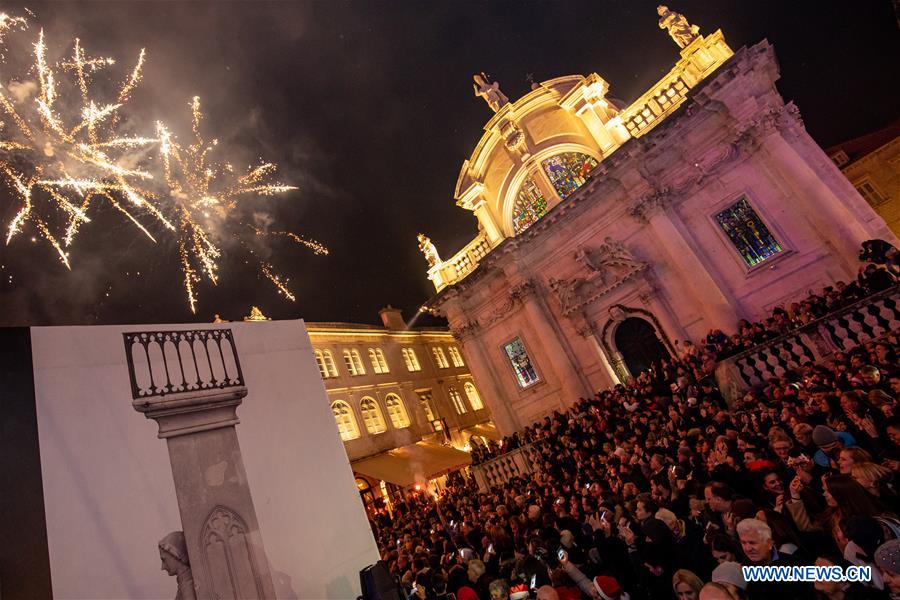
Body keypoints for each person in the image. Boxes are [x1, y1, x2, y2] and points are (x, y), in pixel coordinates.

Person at [159, 531, 196, 600]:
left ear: (176, 555)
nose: (162, 567)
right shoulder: (183, 584)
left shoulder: (187, 586)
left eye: (164, 560)